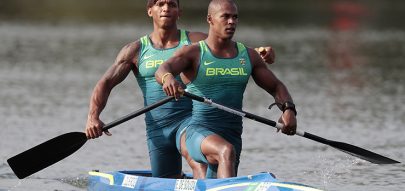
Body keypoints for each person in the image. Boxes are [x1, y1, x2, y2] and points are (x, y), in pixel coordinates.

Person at [84, 0, 276, 178]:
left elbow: (226, 47)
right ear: (150, 11)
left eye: (172, 4)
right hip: (157, 128)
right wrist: (93, 117)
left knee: (196, 159)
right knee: (166, 179)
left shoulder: (193, 41)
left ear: (179, 12)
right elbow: (106, 83)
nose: (166, 8)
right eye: (161, 3)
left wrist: (259, 51)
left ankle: (209, 185)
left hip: (188, 121)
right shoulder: (135, 50)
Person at [155, 0, 297, 178]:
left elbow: (276, 86)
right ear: (210, 19)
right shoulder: (193, 53)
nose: (231, 22)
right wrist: (168, 79)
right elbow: (162, 70)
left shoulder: (248, 56)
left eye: (235, 17)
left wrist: (288, 109)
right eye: (225, 17)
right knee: (225, 151)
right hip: (199, 131)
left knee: (222, 164)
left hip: (233, 134)